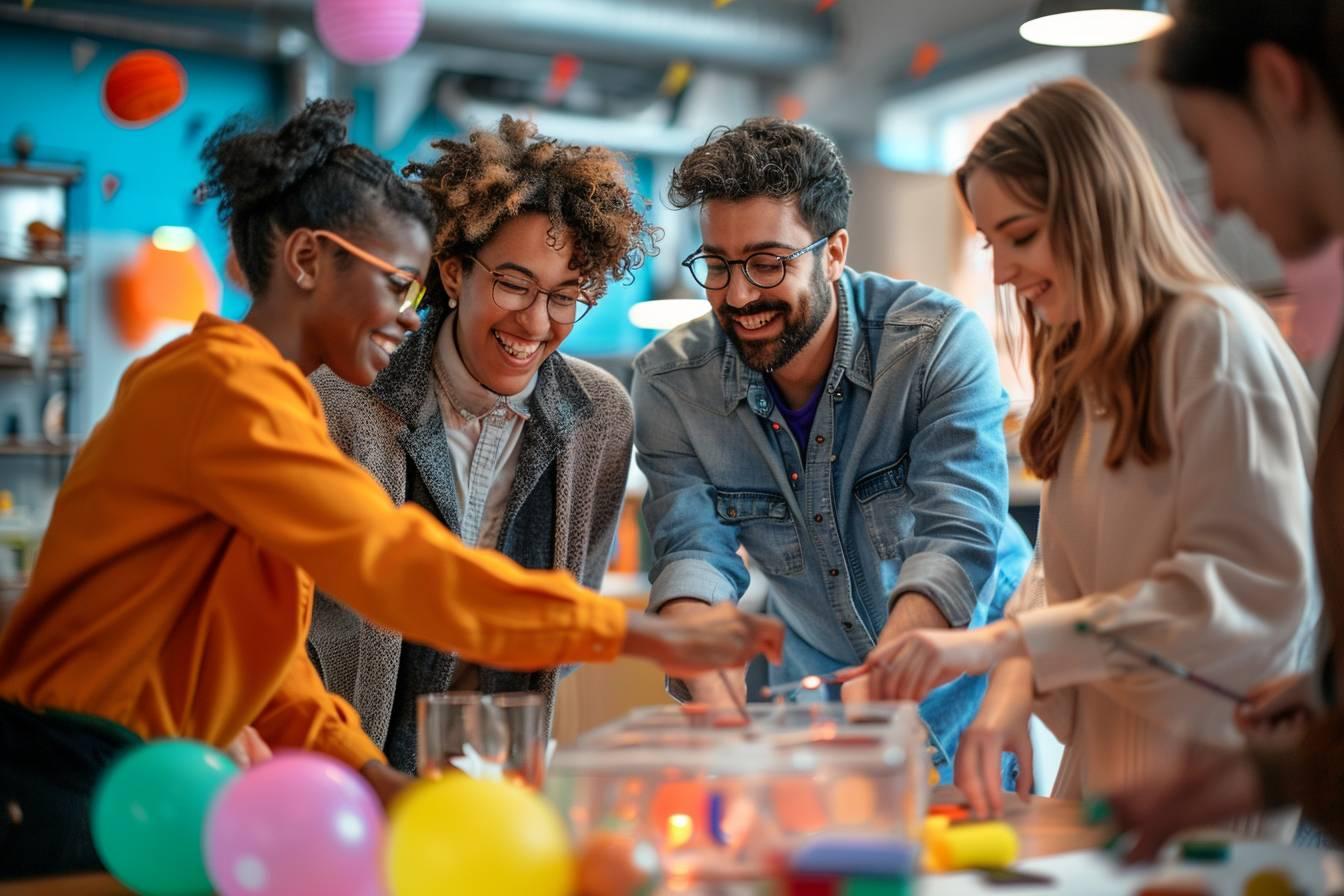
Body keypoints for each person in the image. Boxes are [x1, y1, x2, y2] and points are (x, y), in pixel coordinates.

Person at [0, 100, 782, 879]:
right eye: (398, 285)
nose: (409, 318)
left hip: (138, 779)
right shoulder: (224, 390)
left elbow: (273, 666)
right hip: (70, 772)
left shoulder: (274, 398)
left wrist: (374, 782)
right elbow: (395, 563)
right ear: (308, 260)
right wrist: (638, 635)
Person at [857, 79, 1322, 822]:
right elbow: (1058, 575)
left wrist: (998, 647)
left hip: (1211, 778)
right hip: (1106, 775)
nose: (1003, 272)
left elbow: (1240, 595)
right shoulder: (1090, 372)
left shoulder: (1214, 339)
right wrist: (1010, 684)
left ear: (1096, 211)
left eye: (1022, 235)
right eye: (990, 243)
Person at [632, 116, 1033, 781]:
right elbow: (691, 552)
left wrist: (884, 689)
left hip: (964, 682)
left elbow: (957, 540)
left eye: (766, 264)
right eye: (718, 265)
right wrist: (707, 685)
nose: (737, 295)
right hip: (815, 691)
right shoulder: (672, 383)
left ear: (835, 252)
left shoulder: (933, 342)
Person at [308, 116, 657, 773]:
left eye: (563, 295)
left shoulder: (601, 415)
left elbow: (569, 618)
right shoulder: (341, 400)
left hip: (502, 778)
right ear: (451, 271)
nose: (535, 321)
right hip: (345, 773)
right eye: (514, 284)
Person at [1110, 0, 1344, 857]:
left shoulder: (1214, 336)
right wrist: (1317, 706)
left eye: (1208, 150)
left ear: (1279, 86)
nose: (1228, 203)